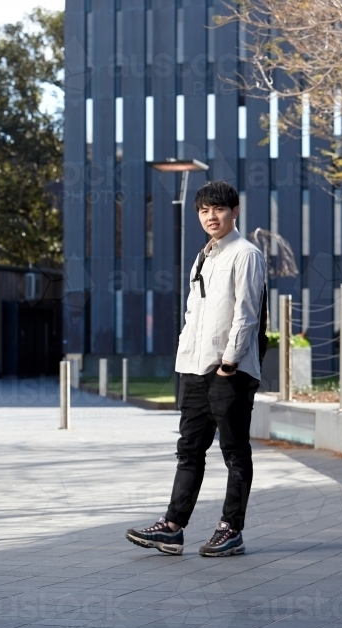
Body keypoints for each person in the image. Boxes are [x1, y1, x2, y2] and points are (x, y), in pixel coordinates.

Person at [126, 180, 266, 557]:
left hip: (228, 370)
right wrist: (184, 358)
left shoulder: (246, 254)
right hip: (194, 367)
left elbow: (246, 314)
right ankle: (172, 528)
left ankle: (230, 528)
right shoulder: (203, 256)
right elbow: (194, 314)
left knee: (234, 451)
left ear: (234, 211)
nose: (211, 216)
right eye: (204, 210)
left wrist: (229, 363)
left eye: (218, 209)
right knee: (189, 450)